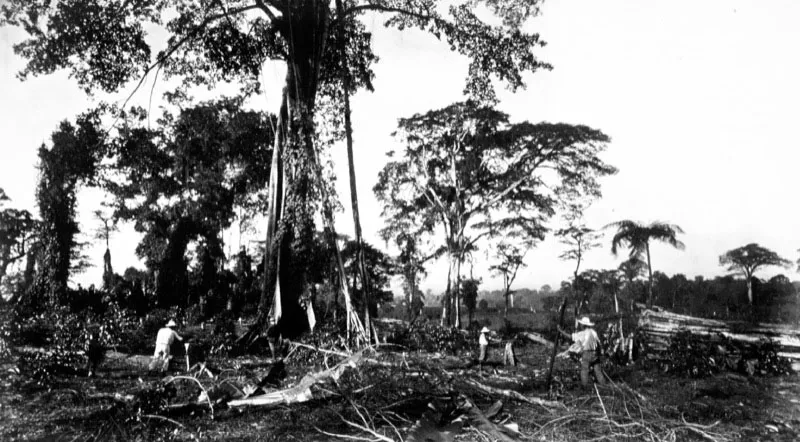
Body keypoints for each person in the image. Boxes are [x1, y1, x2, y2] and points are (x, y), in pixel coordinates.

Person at [558, 316, 606, 387]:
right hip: (595, 353)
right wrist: (599, 353)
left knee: (584, 371)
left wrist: (560, 331)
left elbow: (570, 337)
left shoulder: (583, 333)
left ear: (584, 325)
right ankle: (603, 385)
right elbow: (599, 343)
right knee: (598, 371)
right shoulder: (594, 332)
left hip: (587, 353)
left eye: (581, 324)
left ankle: (585, 387)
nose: (581, 325)